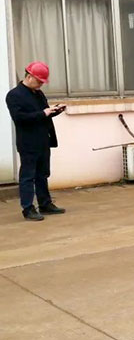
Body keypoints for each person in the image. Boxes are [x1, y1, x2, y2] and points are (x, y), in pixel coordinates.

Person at [5, 61, 66, 221]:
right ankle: (28, 208)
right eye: (39, 81)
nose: (40, 84)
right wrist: (43, 113)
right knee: (28, 176)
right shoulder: (14, 95)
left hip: (43, 141)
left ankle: (45, 203)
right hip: (28, 143)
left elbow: (43, 113)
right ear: (29, 76)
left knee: (42, 174)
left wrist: (55, 111)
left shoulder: (38, 94)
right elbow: (20, 118)